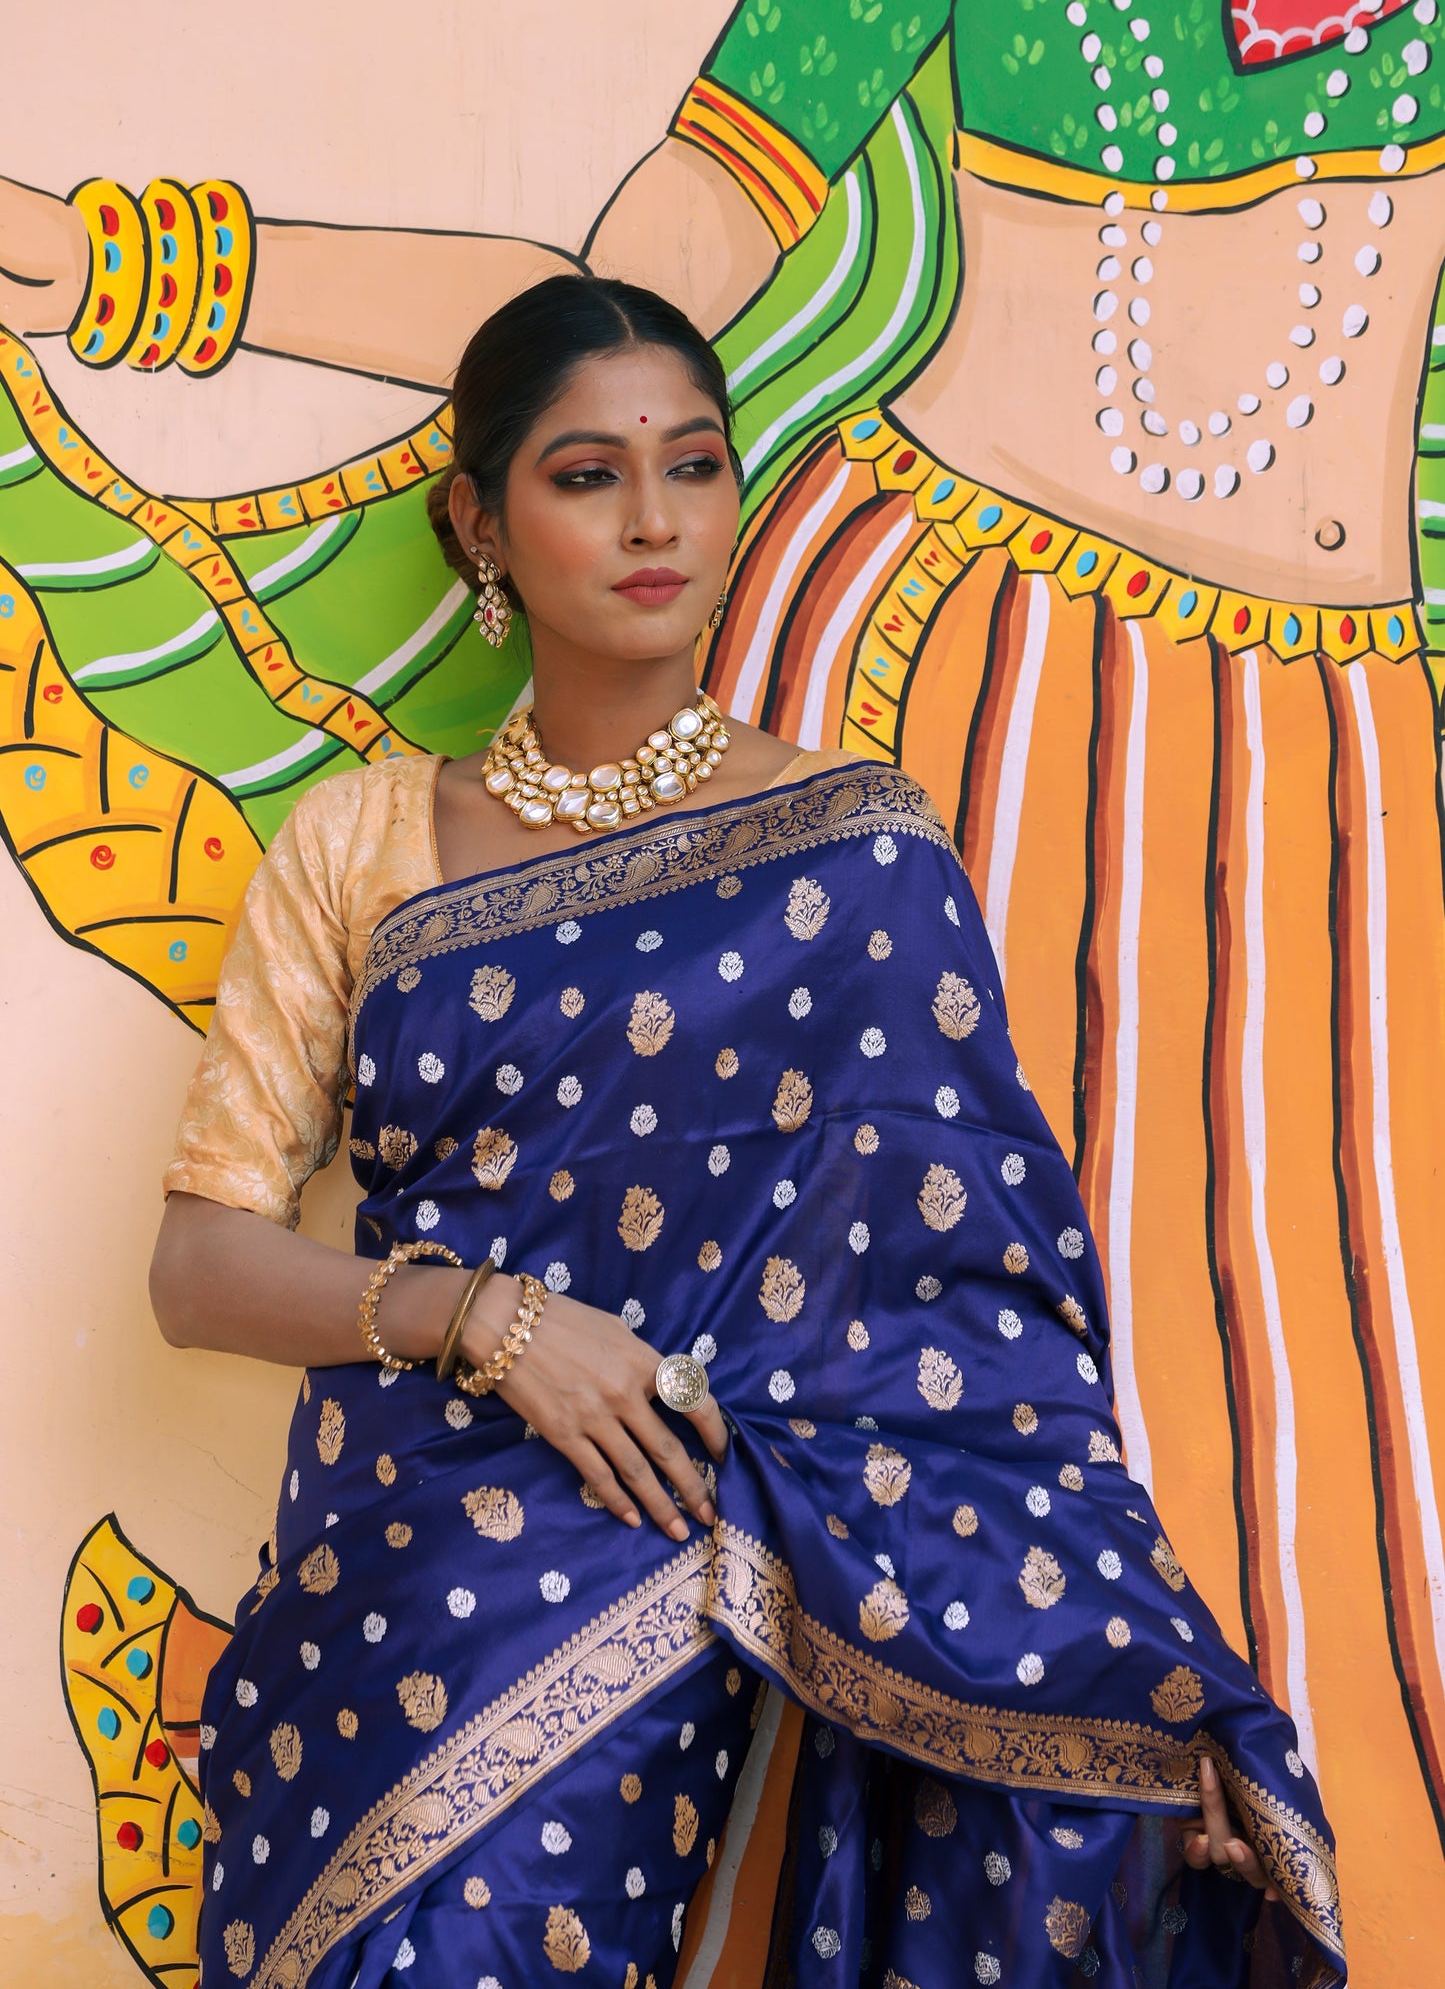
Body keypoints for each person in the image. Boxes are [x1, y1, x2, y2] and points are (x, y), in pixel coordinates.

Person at [150, 274, 1342, 1988]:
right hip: (399, 1577)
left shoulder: (860, 855)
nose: (653, 520)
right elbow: (198, 1264)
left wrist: (1139, 1692)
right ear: (477, 522)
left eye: (692, 466)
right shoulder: (361, 847)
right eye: (586, 475)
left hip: (684, 1553)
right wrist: (491, 1320)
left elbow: (980, 1345)